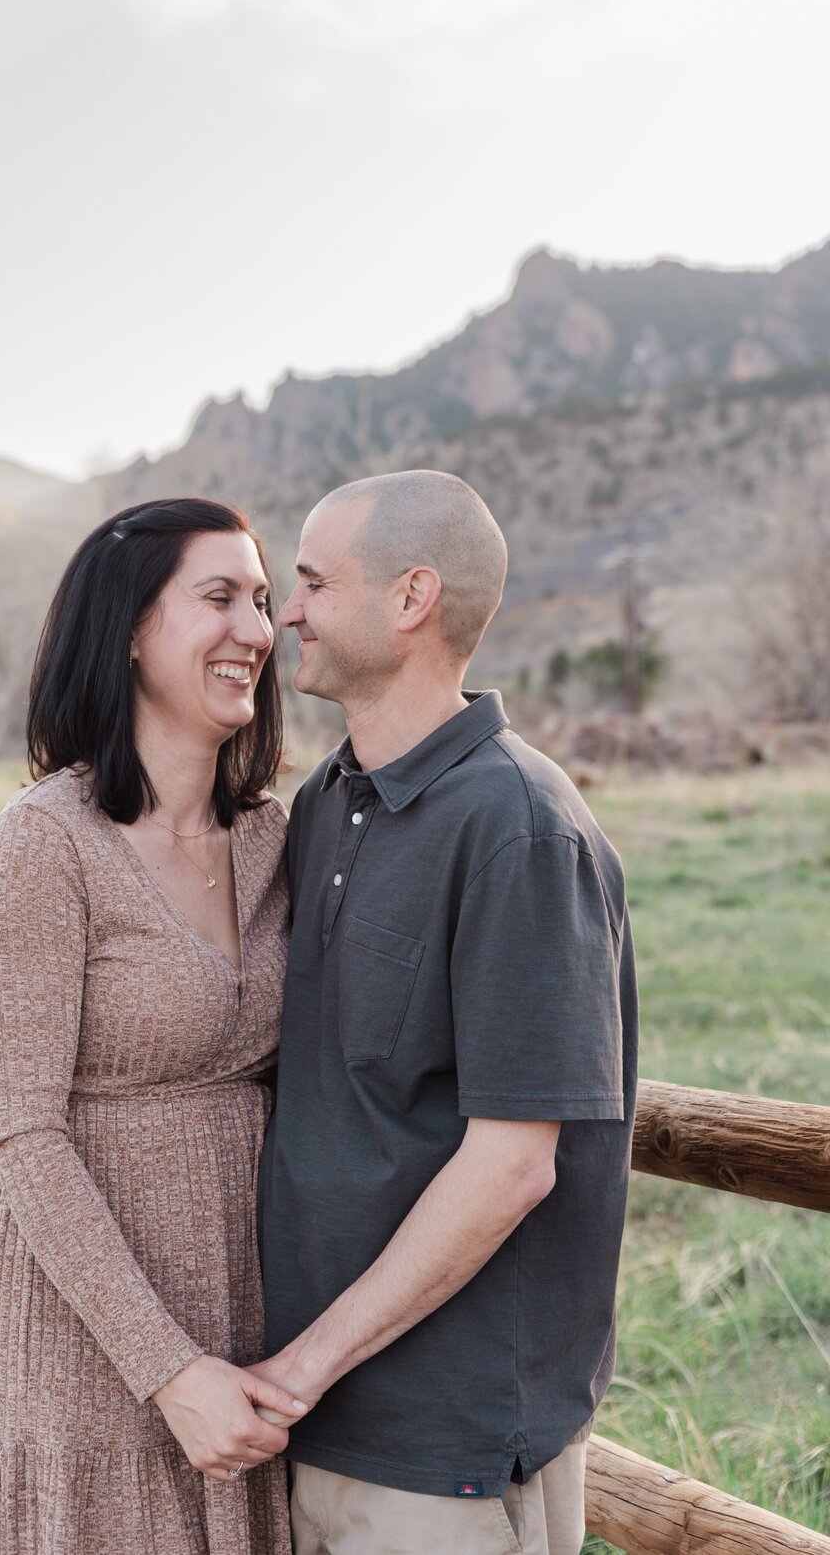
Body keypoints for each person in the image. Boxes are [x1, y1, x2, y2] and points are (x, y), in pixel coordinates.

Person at [254, 470, 638, 1555]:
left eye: (316, 581)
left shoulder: (520, 828)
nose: (289, 611)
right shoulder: (330, 801)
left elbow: (512, 1163)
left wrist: (302, 1367)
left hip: (445, 1453)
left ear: (412, 596)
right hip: (312, 1419)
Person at [0, 497, 308, 1555]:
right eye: (218, 596)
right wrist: (168, 1368)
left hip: (243, 1309)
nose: (257, 630)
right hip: (78, 1337)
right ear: (132, 627)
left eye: (264, 602)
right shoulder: (47, 841)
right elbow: (20, 1134)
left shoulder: (277, 836)